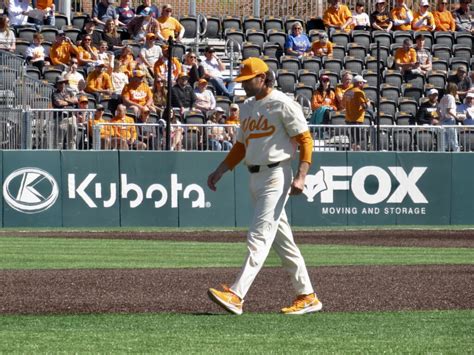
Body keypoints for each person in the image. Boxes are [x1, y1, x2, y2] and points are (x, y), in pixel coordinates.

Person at [206, 57, 321, 316]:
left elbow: (305, 140)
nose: (244, 85)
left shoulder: (282, 103)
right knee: (283, 242)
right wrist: (221, 170)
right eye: (242, 81)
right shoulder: (246, 107)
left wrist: (301, 176)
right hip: (255, 176)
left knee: (258, 237)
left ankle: (236, 294)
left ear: (263, 77)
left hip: (277, 174)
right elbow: (241, 145)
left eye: (248, 80)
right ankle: (307, 295)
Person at [342, 75, 371, 150]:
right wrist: (368, 103)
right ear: (359, 83)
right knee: (357, 141)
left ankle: (352, 153)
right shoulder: (359, 92)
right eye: (362, 83)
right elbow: (365, 106)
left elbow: (343, 104)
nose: (364, 84)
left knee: (352, 140)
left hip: (348, 119)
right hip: (357, 120)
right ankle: (356, 156)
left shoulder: (347, 91)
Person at [438, 82, 460, 151]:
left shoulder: (443, 97)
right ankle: (456, 155)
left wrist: (441, 117)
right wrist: (456, 117)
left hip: (443, 120)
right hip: (450, 120)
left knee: (445, 140)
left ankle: (444, 155)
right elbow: (448, 110)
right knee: (453, 139)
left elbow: (437, 110)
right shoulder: (451, 97)